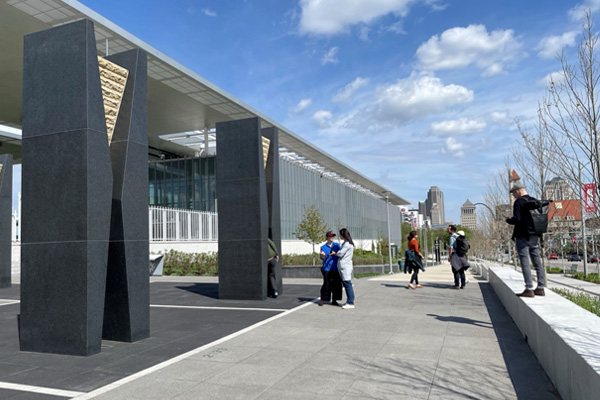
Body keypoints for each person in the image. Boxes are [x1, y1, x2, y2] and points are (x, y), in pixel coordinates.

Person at [505, 183, 546, 297]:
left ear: (519, 191)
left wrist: (508, 220)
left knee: (525, 261)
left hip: (522, 236)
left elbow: (517, 219)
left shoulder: (519, 202)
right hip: (535, 236)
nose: (513, 196)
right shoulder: (535, 201)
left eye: (514, 193)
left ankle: (529, 288)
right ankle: (541, 287)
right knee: (537, 262)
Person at [330, 228, 355, 309]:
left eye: (340, 234)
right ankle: (350, 301)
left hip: (345, 266)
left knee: (347, 284)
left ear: (343, 235)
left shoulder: (347, 244)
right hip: (344, 266)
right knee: (346, 284)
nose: (339, 236)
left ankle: (350, 302)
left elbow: (340, 254)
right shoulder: (346, 243)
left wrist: (335, 253)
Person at [318, 231, 342, 306]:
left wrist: (336, 253)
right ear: (327, 237)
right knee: (326, 284)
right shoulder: (323, 247)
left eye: (333, 236)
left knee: (336, 284)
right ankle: (323, 298)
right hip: (327, 268)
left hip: (335, 267)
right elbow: (322, 257)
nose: (332, 238)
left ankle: (334, 300)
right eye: (330, 236)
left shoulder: (337, 245)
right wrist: (322, 255)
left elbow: (341, 254)